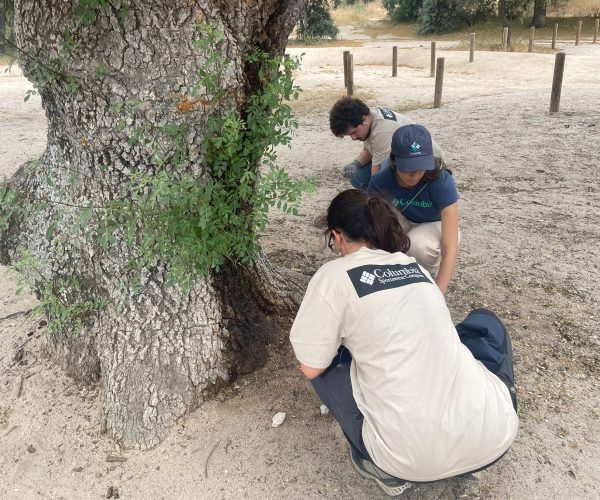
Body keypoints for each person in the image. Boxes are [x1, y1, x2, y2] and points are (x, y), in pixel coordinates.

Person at [290, 189, 518, 497]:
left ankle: (377, 465)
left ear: (337, 236)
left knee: (324, 368)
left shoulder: (332, 276)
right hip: (494, 436)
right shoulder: (416, 269)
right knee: (483, 322)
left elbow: (310, 367)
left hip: (407, 458)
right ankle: (481, 424)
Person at [368, 123, 459, 294]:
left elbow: (450, 245)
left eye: (422, 166)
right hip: (402, 220)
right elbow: (372, 227)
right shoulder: (380, 181)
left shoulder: (441, 181)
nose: (416, 174)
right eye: (408, 168)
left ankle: (425, 277)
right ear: (393, 161)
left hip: (435, 225)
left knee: (418, 246)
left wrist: (439, 292)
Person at [329, 96, 444, 191]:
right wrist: (355, 164)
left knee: (384, 168)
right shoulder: (371, 118)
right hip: (408, 157)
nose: (353, 138)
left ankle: (395, 201)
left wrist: (373, 198)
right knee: (357, 176)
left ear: (364, 120)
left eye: (353, 133)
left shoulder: (382, 130)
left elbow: (376, 173)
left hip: (428, 161)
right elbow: (369, 150)